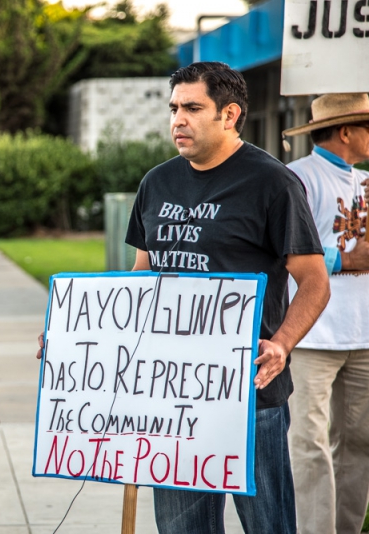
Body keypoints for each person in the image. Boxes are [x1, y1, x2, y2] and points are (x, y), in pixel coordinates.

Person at [124, 62, 329, 533]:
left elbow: (315, 281)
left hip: (248, 394)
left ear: (230, 114)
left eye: (193, 108)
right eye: (174, 108)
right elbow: (141, 277)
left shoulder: (272, 182)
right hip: (169, 390)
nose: (178, 119)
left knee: (267, 525)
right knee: (182, 529)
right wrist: (79, 335)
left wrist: (282, 344)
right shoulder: (156, 183)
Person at [282, 93, 369, 534]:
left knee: (360, 443)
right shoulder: (296, 178)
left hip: (364, 332)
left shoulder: (365, 180)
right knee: (308, 443)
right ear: (346, 131)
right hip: (312, 334)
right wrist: (348, 260)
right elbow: (282, 251)